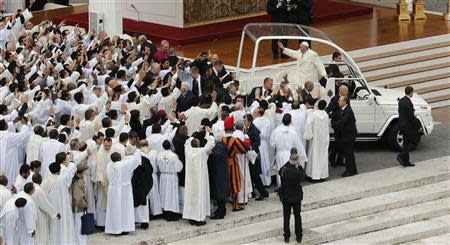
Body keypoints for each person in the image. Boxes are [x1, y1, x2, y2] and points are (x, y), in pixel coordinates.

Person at [41, 154, 77, 244]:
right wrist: (72, 162)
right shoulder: (61, 180)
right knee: (63, 224)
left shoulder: (45, 181)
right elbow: (69, 180)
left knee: (53, 225)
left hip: (51, 206)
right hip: (62, 205)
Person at [105, 151, 142, 235]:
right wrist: (137, 151)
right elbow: (135, 161)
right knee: (124, 209)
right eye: (120, 155)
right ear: (119, 158)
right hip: (123, 190)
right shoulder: (124, 165)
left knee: (114, 210)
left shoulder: (108, 165)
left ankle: (114, 229)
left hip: (113, 191)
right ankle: (124, 228)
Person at [183, 135, 214, 226]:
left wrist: (195, 133)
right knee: (199, 197)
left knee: (191, 197)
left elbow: (187, 142)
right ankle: (199, 219)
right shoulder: (202, 152)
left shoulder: (187, 151)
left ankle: (192, 218)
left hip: (190, 180)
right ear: (199, 145)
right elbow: (211, 142)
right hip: (200, 179)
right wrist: (207, 134)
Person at [222, 116, 252, 211]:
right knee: (235, 183)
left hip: (224, 163)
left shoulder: (222, 139)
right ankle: (235, 205)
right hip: (233, 163)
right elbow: (244, 149)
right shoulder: (234, 140)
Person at [270, 114, 307, 186]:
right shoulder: (293, 131)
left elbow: (272, 144)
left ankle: (280, 187)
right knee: (291, 171)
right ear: (290, 121)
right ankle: (290, 187)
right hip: (290, 154)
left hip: (279, 154)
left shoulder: (276, 131)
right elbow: (298, 144)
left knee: (280, 171)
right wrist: (302, 156)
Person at [278, 148, 306, 243]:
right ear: (297, 160)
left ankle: (286, 236)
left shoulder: (284, 171)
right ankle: (299, 236)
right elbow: (303, 175)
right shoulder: (298, 172)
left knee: (286, 217)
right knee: (297, 216)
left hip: (286, 197)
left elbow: (279, 171)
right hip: (297, 197)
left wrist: (289, 162)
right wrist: (299, 164)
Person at [243, 114, 269, 201]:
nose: (244, 122)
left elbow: (258, 142)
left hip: (254, 154)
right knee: (251, 173)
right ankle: (253, 192)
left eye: (245, 121)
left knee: (255, 174)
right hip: (250, 154)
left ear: (249, 121)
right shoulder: (247, 128)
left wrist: (250, 147)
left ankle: (263, 192)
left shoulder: (253, 129)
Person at [0, 118, 31, 188]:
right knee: (10, 177)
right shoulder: (8, 136)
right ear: (5, 126)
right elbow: (24, 135)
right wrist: (24, 125)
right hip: (9, 162)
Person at [31, 173, 60, 245]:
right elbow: (45, 205)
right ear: (39, 180)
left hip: (32, 215)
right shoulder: (38, 190)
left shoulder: (30, 188)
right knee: (41, 236)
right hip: (40, 216)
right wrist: (55, 213)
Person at [157, 140, 183, 221]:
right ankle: (172, 213)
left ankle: (165, 212)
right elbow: (179, 168)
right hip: (171, 177)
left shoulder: (159, 155)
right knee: (171, 195)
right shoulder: (174, 156)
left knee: (164, 194)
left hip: (163, 176)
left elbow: (158, 164)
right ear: (170, 146)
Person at [332, 96, 358, 177]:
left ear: (344, 102)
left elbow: (342, 122)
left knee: (348, 153)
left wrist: (332, 125)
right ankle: (352, 169)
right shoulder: (343, 109)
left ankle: (351, 170)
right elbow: (335, 114)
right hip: (346, 135)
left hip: (349, 135)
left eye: (340, 101)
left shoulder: (348, 111)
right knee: (348, 153)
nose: (338, 102)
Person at [304, 100, 330, 181]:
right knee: (323, 156)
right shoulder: (326, 115)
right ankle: (322, 175)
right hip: (324, 139)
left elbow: (308, 124)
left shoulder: (313, 115)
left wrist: (309, 135)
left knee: (314, 157)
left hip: (315, 139)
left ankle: (313, 175)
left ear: (318, 105)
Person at [397, 86, 421, 167]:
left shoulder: (401, 101)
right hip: (408, 127)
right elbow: (411, 117)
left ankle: (406, 161)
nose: (413, 93)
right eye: (412, 92)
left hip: (401, 125)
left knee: (406, 143)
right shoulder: (409, 103)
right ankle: (401, 155)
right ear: (410, 92)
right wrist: (418, 127)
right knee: (413, 142)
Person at [326, 85, 349, 167]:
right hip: (337, 123)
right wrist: (328, 116)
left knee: (343, 142)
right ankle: (332, 157)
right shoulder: (335, 99)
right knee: (338, 142)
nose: (347, 92)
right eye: (346, 91)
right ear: (341, 91)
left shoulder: (346, 98)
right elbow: (328, 109)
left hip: (344, 123)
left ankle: (340, 160)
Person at [71, 163, 89, 244]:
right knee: (80, 230)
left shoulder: (77, 180)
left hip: (78, 209)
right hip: (79, 210)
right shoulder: (78, 182)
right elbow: (78, 199)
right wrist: (85, 204)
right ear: (81, 172)